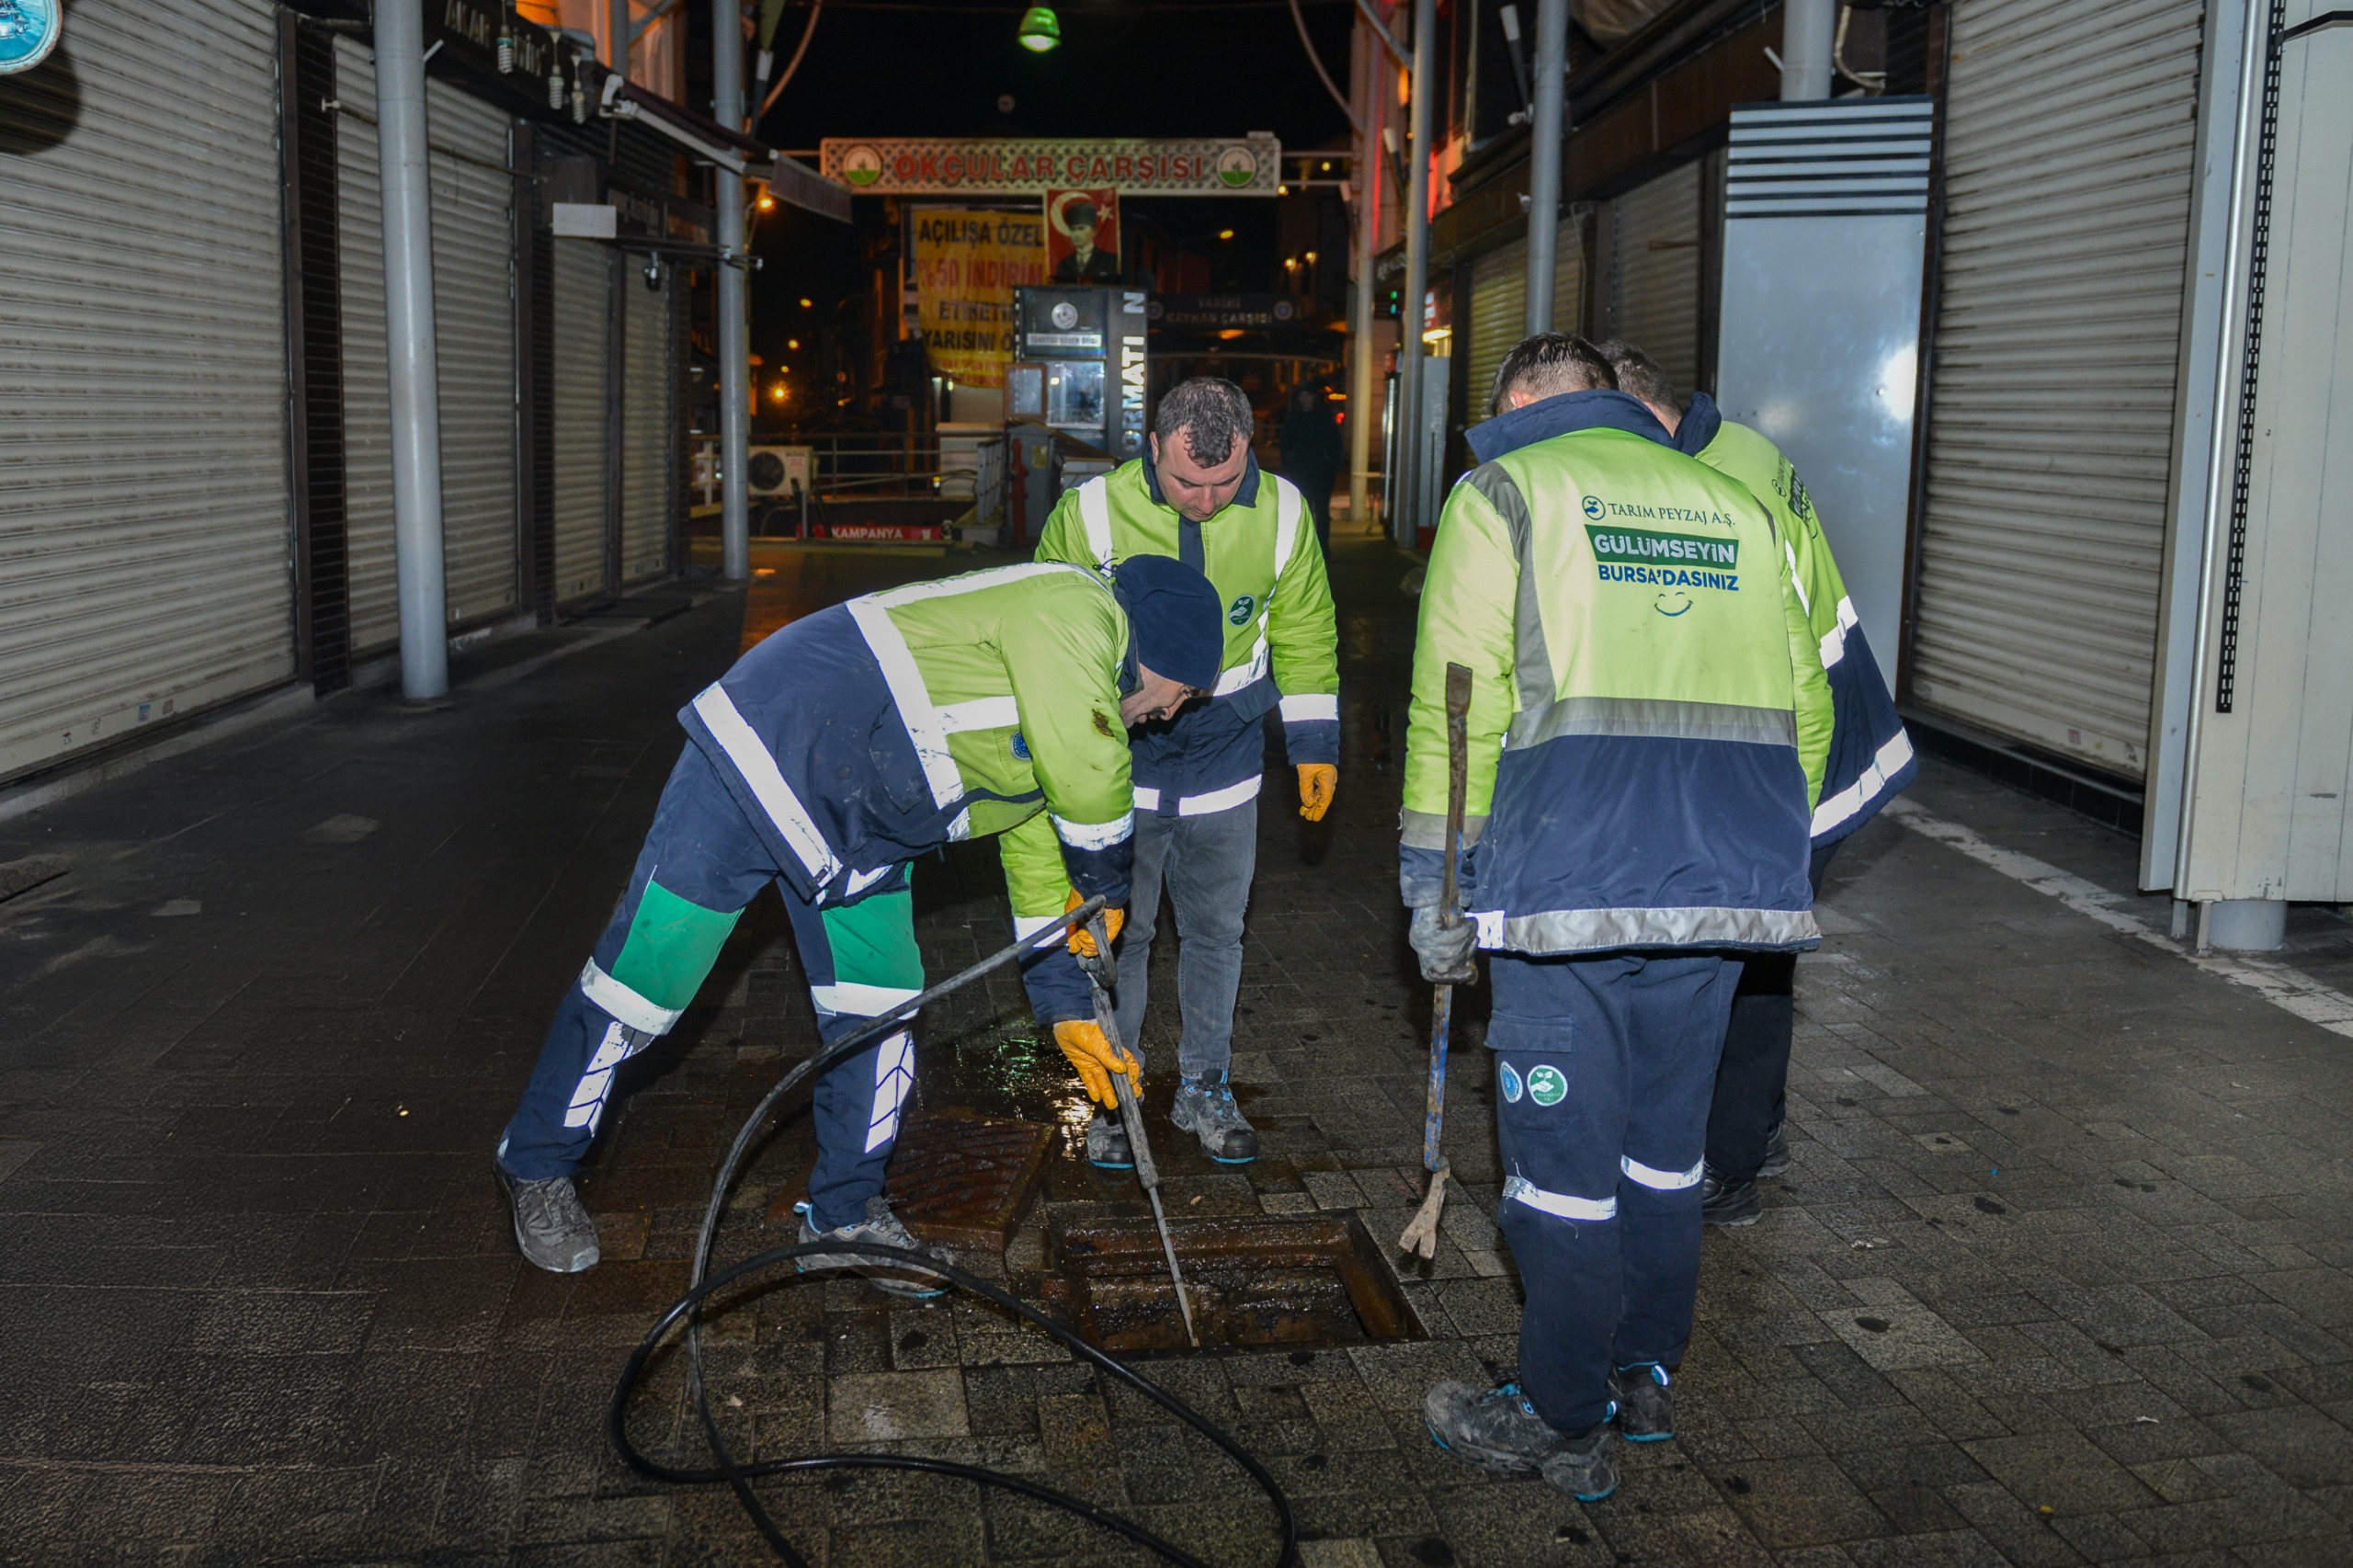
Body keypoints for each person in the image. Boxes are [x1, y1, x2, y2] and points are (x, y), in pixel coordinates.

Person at [493, 558, 1226, 1295]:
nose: (1172, 713)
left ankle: (840, 1219)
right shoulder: (1075, 607)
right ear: (1160, 650)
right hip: (766, 751)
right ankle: (535, 1164)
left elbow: (1040, 874)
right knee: (641, 988)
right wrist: (1106, 882)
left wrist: (1067, 1007)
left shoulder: (1073, 725)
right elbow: (1089, 767)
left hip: (859, 832)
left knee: (881, 1014)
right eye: (1185, 693)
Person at [1404, 334, 1831, 1500]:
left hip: (1568, 888)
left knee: (1562, 1172)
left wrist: (1435, 887)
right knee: (1663, 1154)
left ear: (1521, 398)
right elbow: (1806, 702)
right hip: (1721, 892)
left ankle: (1558, 1414)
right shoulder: (1736, 503)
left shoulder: (1504, 492)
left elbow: (1458, 707)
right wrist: (1763, 858)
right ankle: (1642, 1374)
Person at [1593, 340, 1915, 1226]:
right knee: (1759, 960)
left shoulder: (1714, 484)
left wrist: (1777, 816)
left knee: (1740, 966)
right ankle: (1760, 1132)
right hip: (1819, 735)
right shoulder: (1737, 445)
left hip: (1804, 754)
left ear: (1637, 414)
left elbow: (1767, 656)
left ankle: (1729, 1166)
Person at [1035, 377, 1340, 1165]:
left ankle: (1205, 1085)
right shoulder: (1091, 513)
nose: (1204, 501)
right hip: (1120, 745)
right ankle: (1117, 1092)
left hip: (1226, 748)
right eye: (1185, 483)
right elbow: (1044, 632)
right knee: (1118, 935)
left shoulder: (1284, 511)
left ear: (1249, 452)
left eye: (1224, 483)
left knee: (1216, 929)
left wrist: (1313, 741)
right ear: (1152, 449)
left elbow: (1305, 625)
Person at [1279, 382, 1344, 552]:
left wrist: (1331, 466)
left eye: (1308, 395)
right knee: (1303, 510)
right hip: (1300, 471)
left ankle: (1323, 546)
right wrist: (1290, 465)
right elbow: (1285, 444)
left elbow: (1335, 444)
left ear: (1314, 398)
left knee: (1321, 510)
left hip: (1322, 472)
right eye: (1302, 395)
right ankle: (1305, 547)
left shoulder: (1324, 419)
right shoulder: (1293, 418)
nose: (1305, 399)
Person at [1051, 199, 1121, 282]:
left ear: (1094, 231)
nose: (1076, 234)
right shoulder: (1063, 264)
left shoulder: (1110, 260)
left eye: (1081, 228)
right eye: (1073, 229)